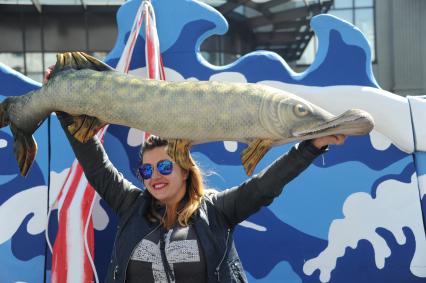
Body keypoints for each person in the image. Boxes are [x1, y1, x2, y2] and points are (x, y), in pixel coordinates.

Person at [44, 70, 345, 283]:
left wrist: (312, 147)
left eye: (164, 167)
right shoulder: (131, 204)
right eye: (146, 170)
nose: (154, 177)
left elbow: (266, 185)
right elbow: (95, 164)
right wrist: (64, 105)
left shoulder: (217, 212)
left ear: (185, 170)